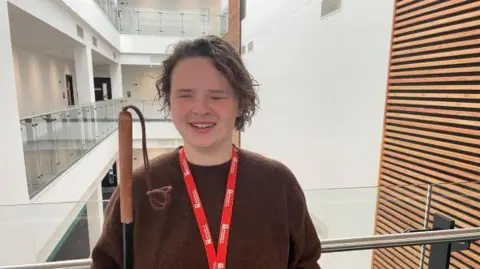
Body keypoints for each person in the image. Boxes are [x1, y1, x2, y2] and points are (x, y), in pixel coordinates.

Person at [90, 35, 321, 269]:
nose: (200, 109)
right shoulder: (138, 188)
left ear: (240, 103)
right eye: (185, 95)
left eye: (216, 96)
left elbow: (306, 262)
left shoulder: (278, 184)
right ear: (169, 101)